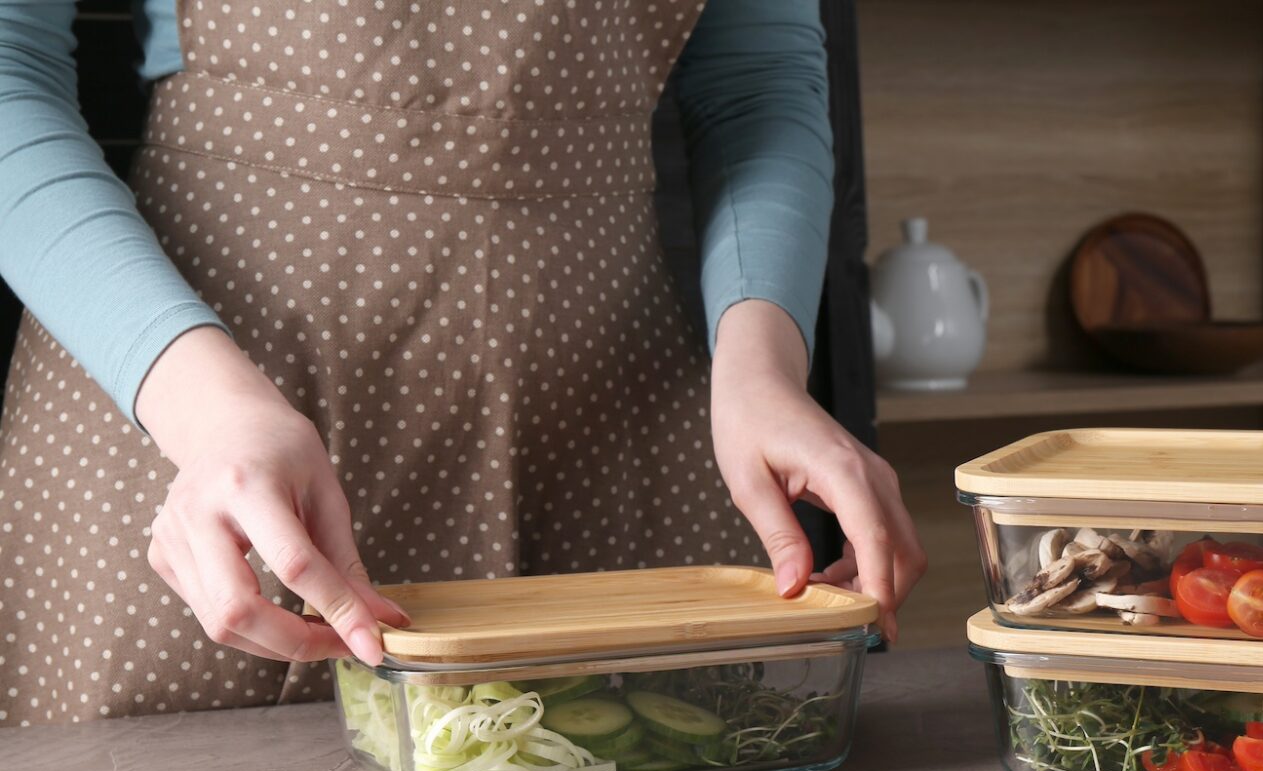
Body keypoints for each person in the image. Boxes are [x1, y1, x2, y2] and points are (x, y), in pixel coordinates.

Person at [0, 0, 925, 725]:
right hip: (200, 419)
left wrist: (761, 366)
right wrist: (204, 416)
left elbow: (757, 83)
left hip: (609, 420)